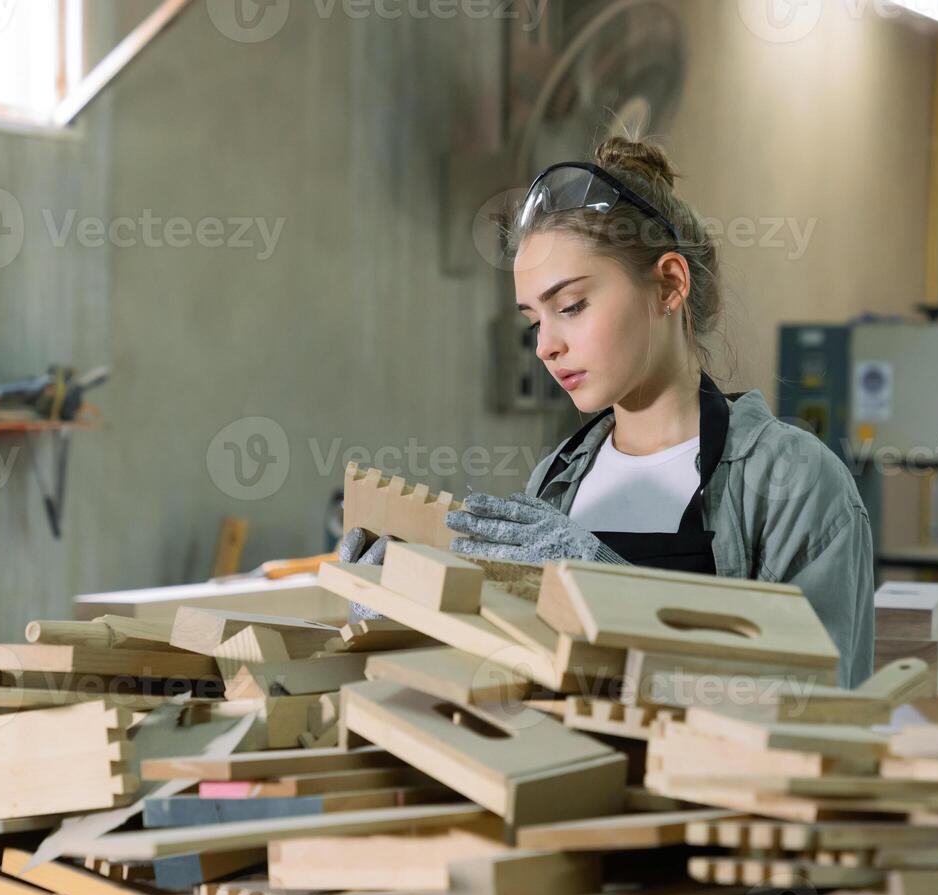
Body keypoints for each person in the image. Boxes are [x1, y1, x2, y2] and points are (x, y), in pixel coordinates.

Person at [340, 137, 875, 688]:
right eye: (534, 321)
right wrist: (408, 619)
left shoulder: (793, 484)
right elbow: (524, 679)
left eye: (570, 307)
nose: (546, 346)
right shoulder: (557, 480)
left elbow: (817, 711)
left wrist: (607, 591)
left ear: (669, 284)